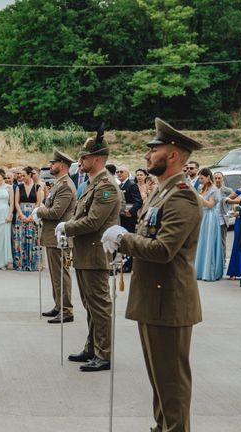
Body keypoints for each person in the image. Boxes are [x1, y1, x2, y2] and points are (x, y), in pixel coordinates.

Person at [101, 117, 204, 432]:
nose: (149, 154)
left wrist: (122, 239)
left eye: (154, 148)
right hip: (153, 297)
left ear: (172, 154)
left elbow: (163, 249)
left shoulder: (183, 197)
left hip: (170, 299)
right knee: (159, 371)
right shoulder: (161, 191)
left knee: (172, 375)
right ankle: (164, 430)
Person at [55, 130, 120, 372]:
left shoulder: (106, 187)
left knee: (99, 306)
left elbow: (93, 221)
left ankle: (104, 353)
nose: (80, 162)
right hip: (85, 254)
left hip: (95, 254)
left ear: (98, 159)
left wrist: (67, 227)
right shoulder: (92, 184)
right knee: (90, 305)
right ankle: (92, 347)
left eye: (84, 158)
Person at [32, 150, 76, 322]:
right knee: (56, 273)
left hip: (60, 238)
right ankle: (59, 305)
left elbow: (57, 212)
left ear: (62, 165)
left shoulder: (65, 185)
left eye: (53, 163)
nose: (50, 166)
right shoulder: (60, 183)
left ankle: (66, 309)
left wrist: (39, 211)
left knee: (61, 274)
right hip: (54, 237)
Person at [194, 168, 224, 281]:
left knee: (208, 242)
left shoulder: (214, 189)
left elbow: (211, 205)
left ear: (208, 177)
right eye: (199, 178)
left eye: (201, 178)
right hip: (201, 216)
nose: (200, 180)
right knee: (201, 242)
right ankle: (199, 270)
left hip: (210, 217)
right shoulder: (201, 187)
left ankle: (209, 271)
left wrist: (200, 198)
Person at [13, 166, 43, 271]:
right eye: (20, 175)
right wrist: (21, 214)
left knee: (32, 237)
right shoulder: (19, 187)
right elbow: (16, 202)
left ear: (30, 175)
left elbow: (38, 202)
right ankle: (21, 264)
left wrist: (31, 216)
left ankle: (32, 264)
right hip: (21, 214)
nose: (21, 177)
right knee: (21, 238)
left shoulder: (37, 187)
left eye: (23, 175)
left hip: (33, 214)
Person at [116, 165, 143, 273]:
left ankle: (128, 264)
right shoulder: (120, 185)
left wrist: (131, 212)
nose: (119, 174)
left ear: (127, 173)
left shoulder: (131, 185)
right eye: (117, 172)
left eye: (121, 172)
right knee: (122, 240)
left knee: (128, 240)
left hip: (129, 217)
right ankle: (123, 262)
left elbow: (138, 201)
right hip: (121, 216)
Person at [213, 172, 233, 256]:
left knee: (222, 241)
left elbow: (233, 203)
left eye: (219, 178)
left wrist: (229, 212)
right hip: (211, 220)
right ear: (212, 179)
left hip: (222, 220)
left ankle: (223, 260)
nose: (217, 180)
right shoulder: (209, 189)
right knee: (212, 242)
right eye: (215, 178)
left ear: (222, 179)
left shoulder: (228, 190)